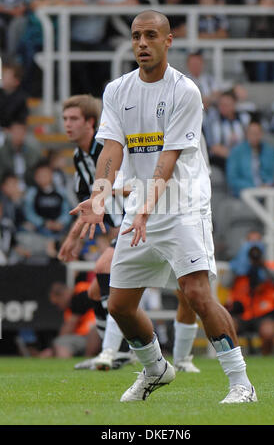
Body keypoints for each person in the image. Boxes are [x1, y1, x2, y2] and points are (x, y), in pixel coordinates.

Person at [71, 10, 257, 403]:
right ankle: (156, 369)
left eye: (150, 35)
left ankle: (241, 383)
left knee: (196, 292)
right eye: (137, 35)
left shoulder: (184, 91)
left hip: (183, 205)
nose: (141, 43)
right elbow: (111, 148)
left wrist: (142, 210)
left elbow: (168, 159)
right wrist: (100, 195)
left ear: (167, 41)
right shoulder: (117, 90)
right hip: (143, 205)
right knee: (120, 305)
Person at [59, 94, 201, 372]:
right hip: (126, 224)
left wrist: (109, 192)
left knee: (189, 293)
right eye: (64, 119)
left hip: (152, 217)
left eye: (73, 119)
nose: (67, 125)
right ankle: (115, 351)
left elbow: (137, 182)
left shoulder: (108, 151)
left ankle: (125, 353)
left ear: (91, 123)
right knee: (95, 291)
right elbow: (89, 202)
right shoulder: (80, 158)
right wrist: (74, 234)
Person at [39, 280, 99, 358]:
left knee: (94, 330)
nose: (58, 307)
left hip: (99, 333)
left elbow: (69, 327)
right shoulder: (68, 310)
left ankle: (88, 360)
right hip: (82, 339)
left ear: (62, 295)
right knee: (59, 344)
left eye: (57, 304)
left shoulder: (80, 291)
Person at [226, 120, 274, 198]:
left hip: (267, 192)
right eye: (252, 133)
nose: (255, 136)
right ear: (247, 134)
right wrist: (255, 188)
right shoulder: (236, 152)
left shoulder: (269, 151)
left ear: (261, 134)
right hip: (245, 193)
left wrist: (267, 185)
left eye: (257, 133)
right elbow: (232, 178)